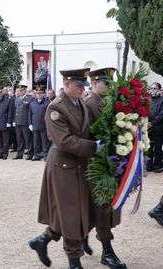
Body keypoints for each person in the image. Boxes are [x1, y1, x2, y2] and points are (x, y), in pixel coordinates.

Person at [29, 68, 100, 269]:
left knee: (82, 210)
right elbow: (66, 141)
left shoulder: (80, 104)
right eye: (79, 85)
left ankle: (42, 240)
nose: (82, 89)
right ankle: (74, 262)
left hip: (80, 163)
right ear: (67, 84)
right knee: (71, 213)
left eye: (84, 86)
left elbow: (85, 132)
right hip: (64, 166)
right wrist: (94, 147)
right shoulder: (56, 108)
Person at [84, 68, 126, 269]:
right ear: (94, 83)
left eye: (111, 83)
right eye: (105, 83)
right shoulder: (89, 104)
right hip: (96, 165)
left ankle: (82, 235)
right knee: (102, 207)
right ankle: (107, 252)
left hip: (110, 162)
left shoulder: (108, 102)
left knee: (100, 207)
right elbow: (86, 137)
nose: (109, 86)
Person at [29, 87, 50, 161]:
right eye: (37, 93)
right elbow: (30, 114)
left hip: (44, 126)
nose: (38, 95)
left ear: (43, 94)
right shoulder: (32, 103)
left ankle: (45, 155)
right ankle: (37, 155)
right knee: (36, 142)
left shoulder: (47, 103)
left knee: (45, 143)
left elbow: (48, 116)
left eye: (40, 93)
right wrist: (30, 124)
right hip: (35, 126)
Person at [12, 85, 33, 160]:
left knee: (28, 139)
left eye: (22, 90)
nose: (20, 92)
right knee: (19, 139)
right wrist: (14, 120)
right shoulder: (17, 98)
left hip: (25, 122)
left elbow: (30, 112)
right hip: (18, 121)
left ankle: (30, 154)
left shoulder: (30, 98)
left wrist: (30, 122)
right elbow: (15, 110)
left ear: (25, 91)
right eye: (19, 90)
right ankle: (19, 154)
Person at [147, 82, 163, 172]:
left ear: (159, 90)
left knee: (157, 148)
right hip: (148, 128)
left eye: (154, 88)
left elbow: (161, 114)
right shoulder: (148, 100)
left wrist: (152, 123)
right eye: (151, 88)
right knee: (149, 147)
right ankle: (149, 165)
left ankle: (158, 166)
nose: (152, 90)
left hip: (158, 128)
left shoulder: (162, 100)